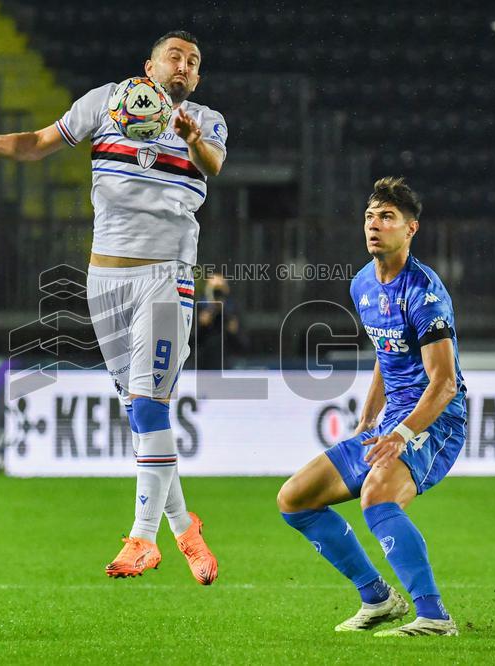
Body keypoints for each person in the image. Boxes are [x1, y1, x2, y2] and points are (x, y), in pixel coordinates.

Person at [0, 31, 224, 583]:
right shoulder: (105, 102)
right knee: (140, 412)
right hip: (103, 280)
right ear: (149, 65)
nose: (184, 66)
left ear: (198, 78)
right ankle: (184, 526)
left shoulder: (205, 120)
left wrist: (192, 138)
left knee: (149, 403)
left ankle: (142, 538)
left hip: (166, 278)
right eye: (175, 57)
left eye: (193, 62)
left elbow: (214, 164)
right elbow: (39, 141)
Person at [277, 177, 467, 636]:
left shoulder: (424, 293)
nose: (374, 225)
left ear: (411, 229)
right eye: (369, 217)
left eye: (387, 217)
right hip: (393, 420)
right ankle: (377, 598)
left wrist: (401, 435)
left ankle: (434, 617)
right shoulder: (362, 283)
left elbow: (443, 384)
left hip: (436, 420)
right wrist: (368, 417)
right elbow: (388, 351)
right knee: (295, 500)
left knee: (377, 496)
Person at [195, 274, 246, 370]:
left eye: (220, 290)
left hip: (227, 367)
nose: (217, 294)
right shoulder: (199, 307)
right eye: (214, 290)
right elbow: (189, 343)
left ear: (226, 290)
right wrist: (201, 325)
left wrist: (233, 331)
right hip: (200, 368)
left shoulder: (233, 311)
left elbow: (244, 346)